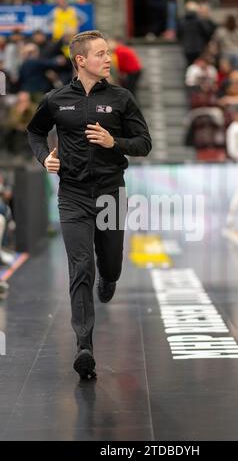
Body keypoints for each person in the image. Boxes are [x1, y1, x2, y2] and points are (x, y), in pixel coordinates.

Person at [27, 30, 152, 379]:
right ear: (80, 60)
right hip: (73, 196)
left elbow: (144, 143)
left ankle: (109, 279)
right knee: (80, 268)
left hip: (111, 194)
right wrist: (44, 159)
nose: (108, 59)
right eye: (101, 54)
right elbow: (35, 132)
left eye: (108, 53)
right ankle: (84, 346)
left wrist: (115, 142)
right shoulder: (55, 100)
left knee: (109, 264)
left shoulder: (122, 97)